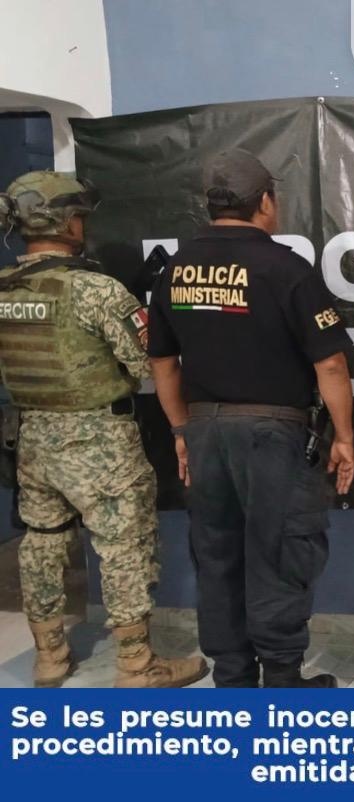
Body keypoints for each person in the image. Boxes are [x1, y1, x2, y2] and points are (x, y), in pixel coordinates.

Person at [148, 149, 354, 688]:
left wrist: (181, 430)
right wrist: (345, 437)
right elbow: (331, 363)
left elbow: (162, 363)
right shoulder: (285, 267)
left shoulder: (175, 269)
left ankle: (233, 679)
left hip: (205, 431)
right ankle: (283, 681)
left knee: (217, 554)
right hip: (273, 435)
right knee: (280, 549)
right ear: (265, 201)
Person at [0, 170, 207, 688]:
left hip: (31, 440)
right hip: (99, 442)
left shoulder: (3, 289)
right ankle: (138, 666)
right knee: (123, 548)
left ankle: (49, 657)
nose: (83, 225)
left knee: (42, 544)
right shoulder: (96, 290)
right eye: (79, 216)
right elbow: (145, 362)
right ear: (65, 222)